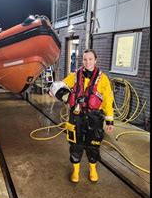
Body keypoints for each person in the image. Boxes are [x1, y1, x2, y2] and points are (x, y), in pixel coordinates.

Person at [49, 49, 114, 183]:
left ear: (95, 60)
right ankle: (76, 171)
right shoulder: (74, 75)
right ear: (82, 60)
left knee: (93, 144)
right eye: (85, 59)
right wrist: (54, 91)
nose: (87, 62)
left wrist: (109, 120)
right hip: (76, 116)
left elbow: (108, 100)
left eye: (90, 59)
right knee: (75, 144)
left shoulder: (103, 79)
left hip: (94, 117)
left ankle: (93, 169)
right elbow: (62, 85)